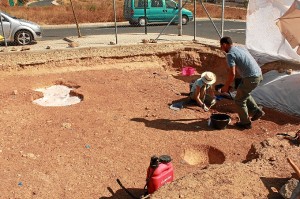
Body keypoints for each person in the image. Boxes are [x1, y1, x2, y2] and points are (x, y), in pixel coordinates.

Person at [220, 36, 265, 129]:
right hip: (258, 74)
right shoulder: (240, 47)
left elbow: (232, 73)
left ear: (224, 44)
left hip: (251, 78)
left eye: (221, 46)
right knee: (243, 93)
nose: (221, 48)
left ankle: (245, 123)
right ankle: (256, 111)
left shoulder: (230, 54)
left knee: (239, 100)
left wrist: (226, 87)